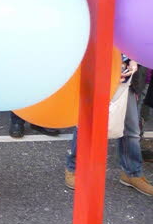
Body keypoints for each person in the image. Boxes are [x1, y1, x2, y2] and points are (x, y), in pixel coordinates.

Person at [65, 60, 153, 196]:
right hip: (100, 68)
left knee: (131, 129)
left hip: (128, 76)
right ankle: (74, 169)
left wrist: (132, 60)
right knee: (87, 123)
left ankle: (132, 173)